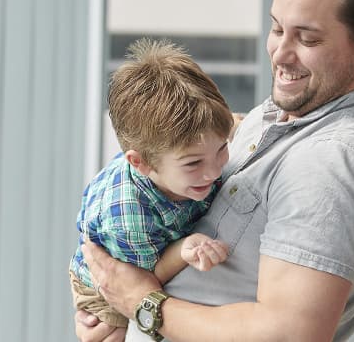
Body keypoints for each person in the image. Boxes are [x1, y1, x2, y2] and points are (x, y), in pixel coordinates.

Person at [76, 0, 354, 342]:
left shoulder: (331, 162)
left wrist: (139, 304)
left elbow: (287, 335)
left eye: (307, 39)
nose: (280, 53)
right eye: (277, 28)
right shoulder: (273, 117)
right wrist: (105, 302)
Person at [69, 38, 234, 332]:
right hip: (111, 276)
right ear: (141, 163)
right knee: (109, 332)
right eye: (193, 163)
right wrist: (184, 248)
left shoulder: (191, 145)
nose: (213, 171)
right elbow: (139, 282)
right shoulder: (129, 219)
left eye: (222, 148)